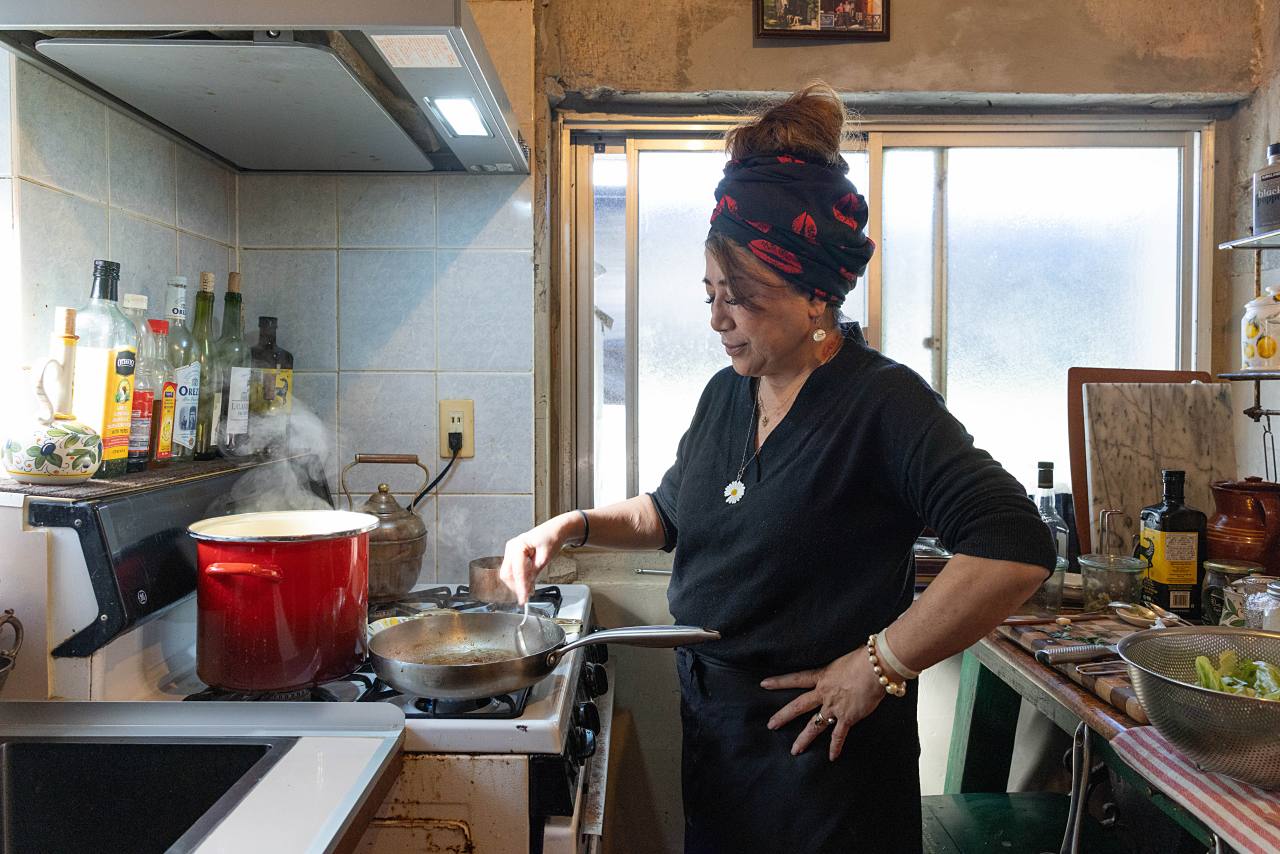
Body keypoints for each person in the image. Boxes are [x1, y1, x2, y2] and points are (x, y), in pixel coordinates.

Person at [500, 82, 1055, 854]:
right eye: (711, 294)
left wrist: (880, 664)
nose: (717, 319)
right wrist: (577, 525)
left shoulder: (882, 404)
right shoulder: (729, 392)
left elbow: (1015, 545)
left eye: (743, 298)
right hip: (720, 740)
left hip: (825, 769)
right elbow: (673, 512)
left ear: (815, 295)